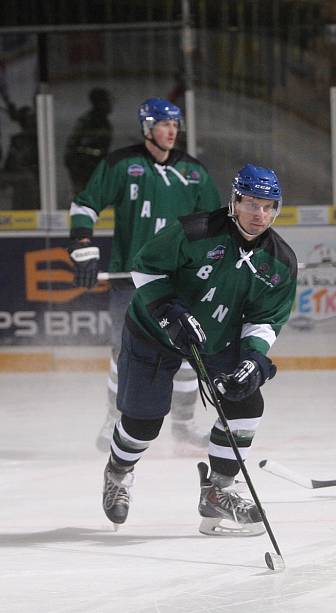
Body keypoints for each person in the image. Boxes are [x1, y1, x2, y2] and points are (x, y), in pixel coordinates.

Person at [101, 164, 297, 535]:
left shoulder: (281, 262)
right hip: (153, 331)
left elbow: (266, 319)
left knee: (246, 400)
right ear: (234, 202)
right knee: (143, 424)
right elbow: (145, 267)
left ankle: (218, 492)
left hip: (216, 336)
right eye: (251, 204)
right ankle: (119, 470)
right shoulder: (196, 231)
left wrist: (254, 359)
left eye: (268, 206)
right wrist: (168, 310)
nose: (259, 214)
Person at [68, 98, 221, 452]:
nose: (172, 131)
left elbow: (215, 224)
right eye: (164, 124)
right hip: (131, 280)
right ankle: (114, 419)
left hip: (180, 280)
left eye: (175, 124)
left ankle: (183, 425)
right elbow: (85, 204)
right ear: (147, 128)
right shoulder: (122, 164)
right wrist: (83, 244)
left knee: (188, 349)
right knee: (125, 352)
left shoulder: (195, 172)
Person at [64, 87, 114, 195]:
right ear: (100, 103)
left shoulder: (102, 121)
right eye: (108, 101)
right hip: (84, 165)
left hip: (91, 164)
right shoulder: (90, 121)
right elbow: (75, 144)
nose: (111, 104)